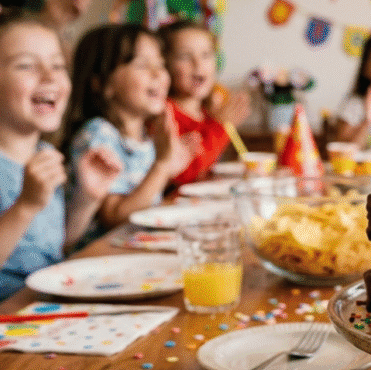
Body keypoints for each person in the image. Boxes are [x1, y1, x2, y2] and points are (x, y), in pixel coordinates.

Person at [0, 11, 121, 331]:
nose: (50, 76)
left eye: (58, 65)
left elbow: (48, 248)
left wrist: (87, 198)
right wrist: (25, 206)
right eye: (26, 65)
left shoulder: (43, 153)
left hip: (40, 314)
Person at [61, 23, 197, 247]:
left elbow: (145, 202)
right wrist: (162, 166)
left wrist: (170, 171)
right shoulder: (98, 134)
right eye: (142, 65)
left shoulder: (143, 136)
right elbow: (116, 217)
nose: (159, 74)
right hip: (97, 259)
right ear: (102, 84)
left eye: (161, 64)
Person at [157, 20, 250, 188]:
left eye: (206, 55)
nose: (198, 64)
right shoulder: (163, 113)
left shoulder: (207, 113)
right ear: (165, 64)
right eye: (185, 56)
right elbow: (184, 175)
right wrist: (220, 126)